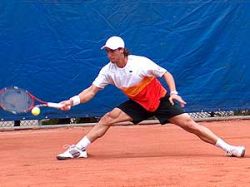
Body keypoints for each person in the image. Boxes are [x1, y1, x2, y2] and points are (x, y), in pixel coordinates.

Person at [56, 36, 245, 160]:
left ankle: (229, 148)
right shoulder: (107, 71)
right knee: (108, 118)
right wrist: (72, 101)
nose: (110, 54)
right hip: (138, 104)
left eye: (113, 50)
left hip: (160, 101)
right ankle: (79, 149)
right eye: (107, 51)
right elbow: (91, 91)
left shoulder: (141, 63)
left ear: (122, 50)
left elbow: (166, 73)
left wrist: (173, 92)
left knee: (190, 125)